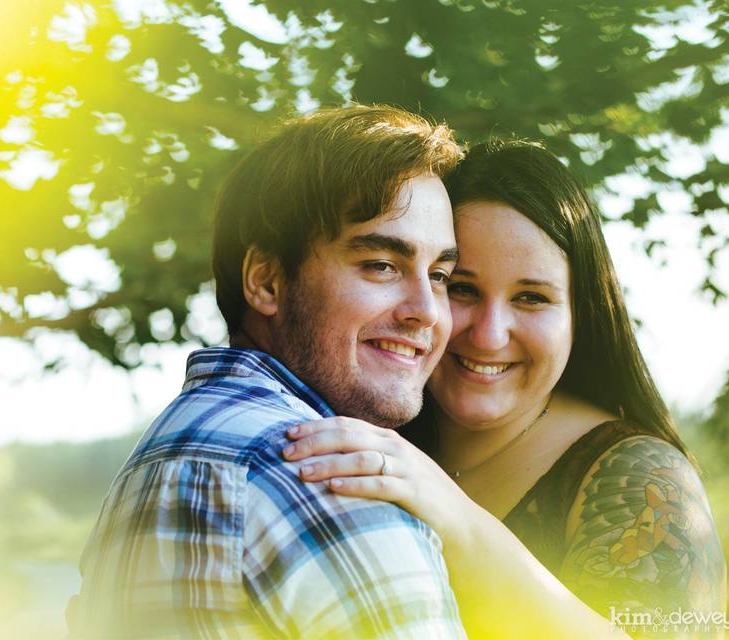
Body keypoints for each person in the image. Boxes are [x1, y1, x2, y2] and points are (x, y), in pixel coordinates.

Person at [284, 140, 727, 638]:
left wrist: (460, 521)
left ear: (581, 316)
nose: (490, 335)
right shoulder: (367, 435)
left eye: (531, 298)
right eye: (461, 288)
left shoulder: (642, 479)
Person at [66, 105, 469, 638]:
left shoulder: (156, 464)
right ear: (266, 282)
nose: (427, 310)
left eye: (440, 274)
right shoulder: (329, 478)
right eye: (381, 265)